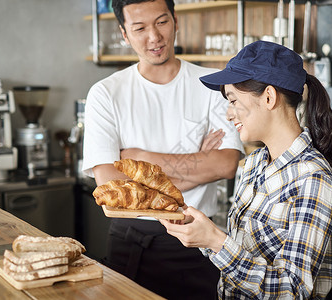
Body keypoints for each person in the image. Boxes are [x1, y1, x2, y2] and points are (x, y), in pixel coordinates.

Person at [159, 40, 332, 299]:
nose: (229, 114)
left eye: (233, 100)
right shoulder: (253, 163)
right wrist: (202, 233)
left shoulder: (313, 179)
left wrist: (216, 241)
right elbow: (246, 248)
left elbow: (292, 291)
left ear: (269, 97)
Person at [81, 0, 244, 299]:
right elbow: (111, 189)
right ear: (124, 34)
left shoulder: (212, 84)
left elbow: (224, 165)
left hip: (198, 237)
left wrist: (138, 159)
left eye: (161, 22)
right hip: (131, 242)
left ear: (175, 21)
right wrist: (198, 163)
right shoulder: (106, 93)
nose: (154, 37)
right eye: (140, 28)